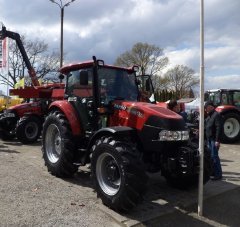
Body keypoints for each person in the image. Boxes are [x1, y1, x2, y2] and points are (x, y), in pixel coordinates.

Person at [204, 101, 223, 180]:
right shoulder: (209, 116)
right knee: (211, 157)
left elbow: (219, 128)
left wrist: (217, 140)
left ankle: (218, 174)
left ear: (211, 107)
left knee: (214, 156)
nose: (205, 109)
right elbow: (206, 127)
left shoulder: (216, 115)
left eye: (206, 107)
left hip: (213, 140)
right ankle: (213, 172)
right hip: (209, 139)